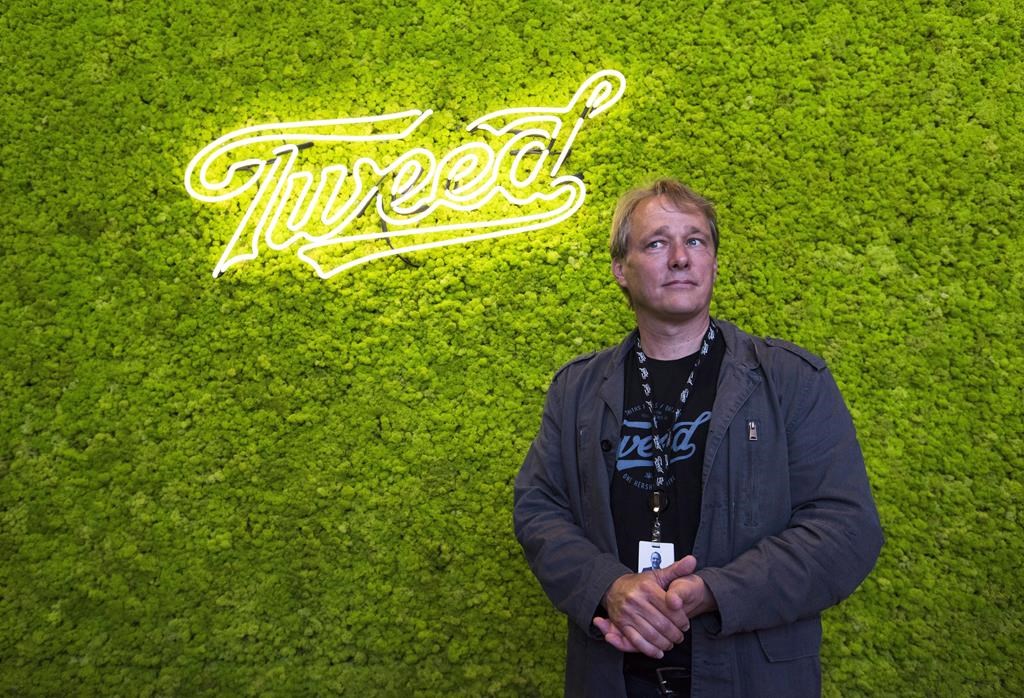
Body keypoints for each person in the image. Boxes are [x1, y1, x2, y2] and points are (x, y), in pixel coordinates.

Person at [513, 179, 883, 697]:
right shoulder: (576, 389)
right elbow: (538, 509)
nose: (681, 258)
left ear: (712, 262)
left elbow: (845, 529)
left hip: (754, 678)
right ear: (621, 269)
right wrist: (610, 587)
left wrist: (713, 592)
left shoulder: (792, 379)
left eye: (696, 241)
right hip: (612, 677)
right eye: (657, 243)